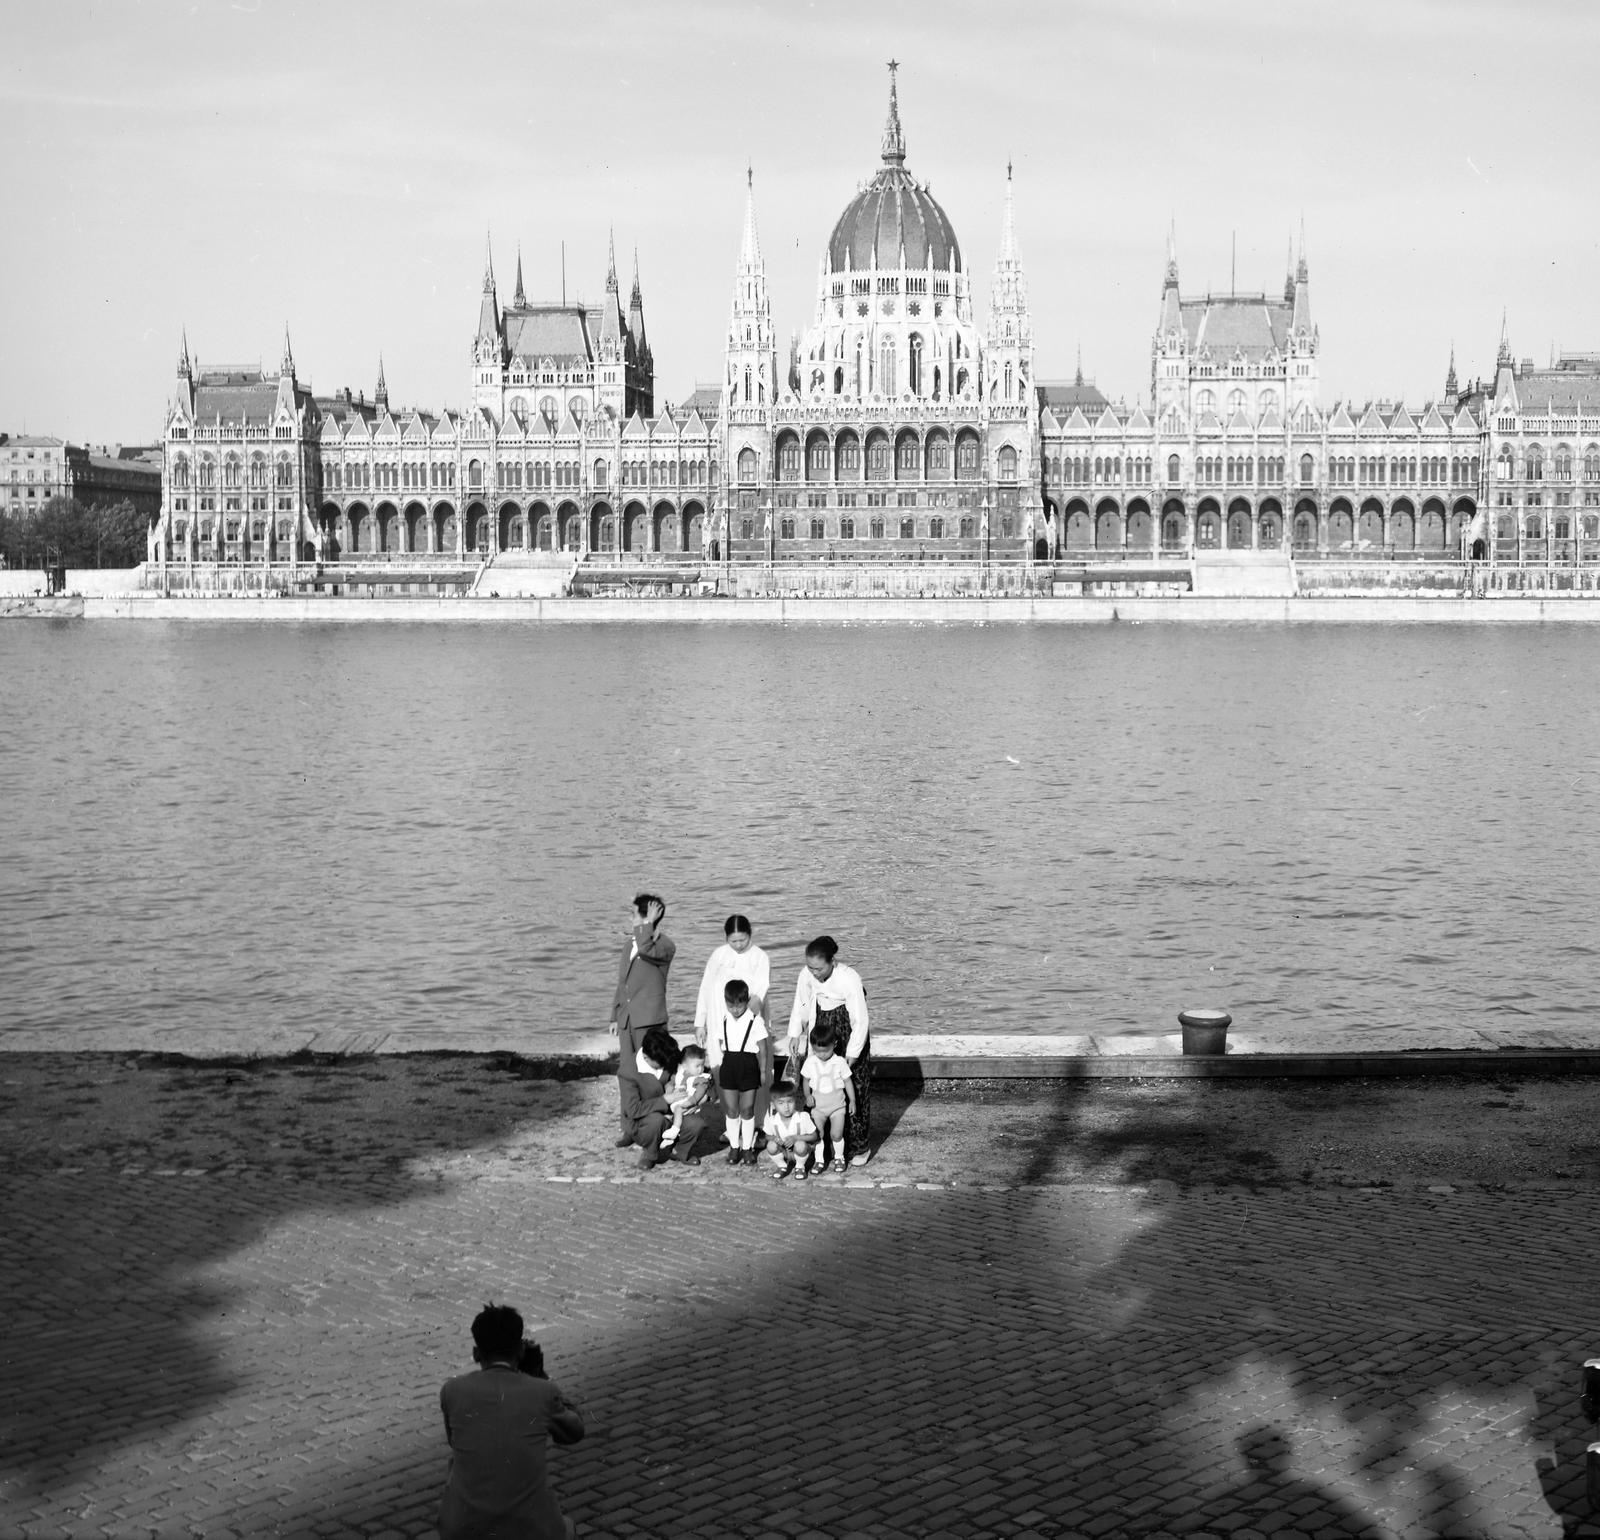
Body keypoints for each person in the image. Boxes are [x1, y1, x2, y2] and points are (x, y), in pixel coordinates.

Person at [437, 1302, 585, 1540]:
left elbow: (455, 1441)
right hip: (533, 1532)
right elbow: (575, 1432)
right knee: (567, 1528)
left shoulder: (452, 1391)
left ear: (476, 1354)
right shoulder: (542, 1391)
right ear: (520, 1351)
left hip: (463, 1531)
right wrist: (541, 1377)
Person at [787, 934, 872, 1165]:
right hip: (821, 1025)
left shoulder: (849, 978)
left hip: (846, 1029)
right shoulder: (806, 975)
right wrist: (796, 1032)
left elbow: (860, 1019)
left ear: (832, 961)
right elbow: (801, 1002)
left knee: (852, 1084)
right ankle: (820, 1142)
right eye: (810, 967)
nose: (814, 972)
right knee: (819, 1080)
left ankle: (858, 1146)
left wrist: (852, 1053)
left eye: (819, 968)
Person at [694, 912, 775, 1130]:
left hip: (748, 1018)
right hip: (719, 1017)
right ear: (726, 938)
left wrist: (745, 1020)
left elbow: (761, 990)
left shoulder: (760, 957)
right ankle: (732, 1121)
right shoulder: (718, 955)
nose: (738, 945)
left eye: (742, 940)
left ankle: (758, 1122)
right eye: (733, 941)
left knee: (753, 1070)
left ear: (750, 934)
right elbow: (705, 987)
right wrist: (700, 1021)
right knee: (723, 1067)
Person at [609, 893, 675, 1149]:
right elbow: (622, 983)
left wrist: (647, 924)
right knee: (627, 1074)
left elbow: (647, 949)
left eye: (635, 914)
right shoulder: (630, 944)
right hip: (627, 1020)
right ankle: (629, 1126)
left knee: (652, 1075)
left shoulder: (664, 945)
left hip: (649, 1020)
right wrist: (615, 1014)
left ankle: (653, 1123)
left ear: (650, 917)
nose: (631, 918)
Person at [705, 977, 770, 1166]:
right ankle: (734, 1146)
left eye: (739, 1005)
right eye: (731, 1005)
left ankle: (747, 1148)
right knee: (732, 1109)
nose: (735, 1009)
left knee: (747, 1108)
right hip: (729, 1065)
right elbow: (720, 1042)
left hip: (749, 1065)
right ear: (725, 1002)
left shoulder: (755, 1021)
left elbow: (763, 1048)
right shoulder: (724, 1020)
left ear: (746, 1001)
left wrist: (763, 1071)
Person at [618, 1025, 696, 1170]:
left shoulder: (667, 1053)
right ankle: (650, 1153)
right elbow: (633, 1109)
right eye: (660, 1064)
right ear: (646, 1058)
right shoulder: (628, 1072)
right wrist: (665, 1100)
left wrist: (673, 1083)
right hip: (644, 1119)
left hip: (674, 1111)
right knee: (656, 1122)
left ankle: (679, 1150)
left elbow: (683, 1068)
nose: (665, 1065)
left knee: (696, 1124)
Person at [799, 1019, 856, 1173]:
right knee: (818, 1134)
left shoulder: (839, 1062)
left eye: (825, 1051)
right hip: (818, 1107)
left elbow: (848, 1081)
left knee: (836, 1134)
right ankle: (819, 1161)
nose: (821, 1055)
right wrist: (807, 1095)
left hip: (837, 1106)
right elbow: (805, 1080)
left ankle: (839, 1157)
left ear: (834, 1044)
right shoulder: (810, 1062)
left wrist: (852, 1101)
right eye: (817, 1051)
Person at [660, 1044, 713, 1154]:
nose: (701, 1069)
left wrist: (691, 1102)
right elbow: (672, 1082)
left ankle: (675, 1133)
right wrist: (669, 1089)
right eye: (697, 1066)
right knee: (670, 1115)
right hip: (675, 1101)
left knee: (681, 1112)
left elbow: (700, 1092)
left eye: (702, 1065)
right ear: (684, 1066)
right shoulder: (680, 1073)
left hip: (687, 1104)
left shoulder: (700, 1078)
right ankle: (669, 1139)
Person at [763, 1082, 819, 1181]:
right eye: (781, 1103)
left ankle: (800, 1167)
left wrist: (796, 1138)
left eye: (790, 1102)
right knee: (770, 1145)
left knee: (800, 1145)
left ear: (795, 1101)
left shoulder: (802, 1117)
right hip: (784, 1152)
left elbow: (814, 1136)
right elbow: (767, 1136)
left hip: (801, 1151)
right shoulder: (772, 1120)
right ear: (773, 1105)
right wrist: (774, 1138)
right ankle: (781, 1166)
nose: (786, 1107)